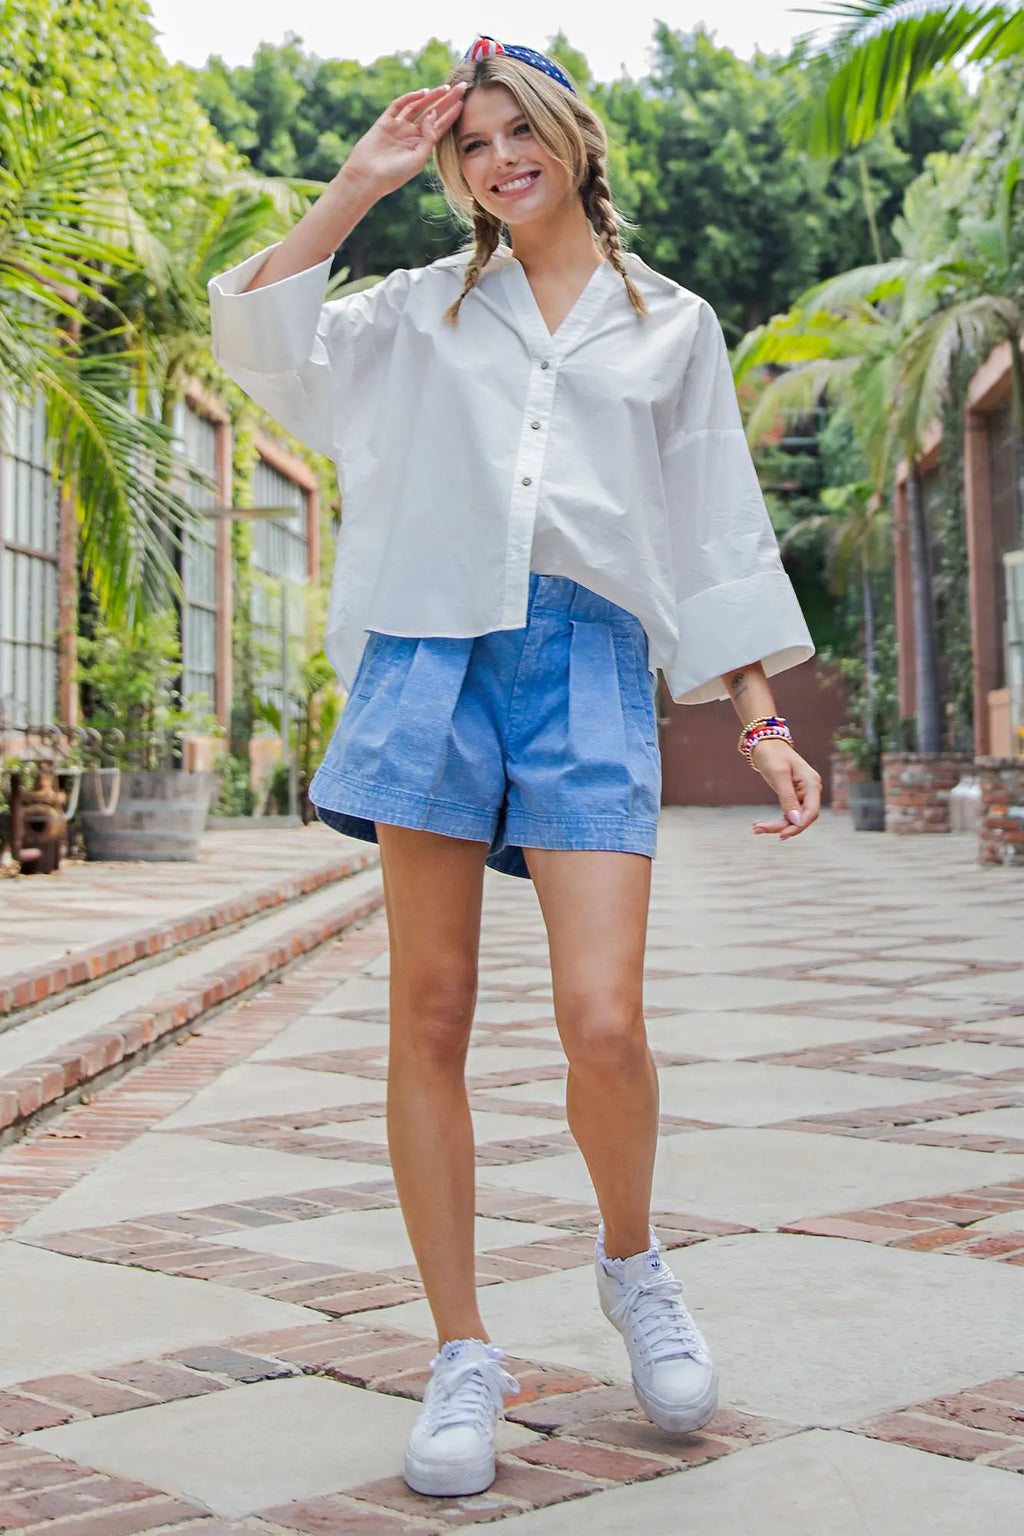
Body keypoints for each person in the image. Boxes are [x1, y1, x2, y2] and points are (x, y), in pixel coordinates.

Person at [208, 35, 820, 1500]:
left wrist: (763, 717)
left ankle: (633, 1266)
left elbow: (710, 521)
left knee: (602, 1020)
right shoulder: (418, 311)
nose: (497, 160)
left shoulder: (672, 322)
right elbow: (259, 341)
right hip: (432, 652)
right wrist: (357, 186)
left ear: (572, 136)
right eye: (470, 145)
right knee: (430, 1012)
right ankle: (463, 1351)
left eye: (518, 130)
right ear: (456, 168)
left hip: (590, 664)